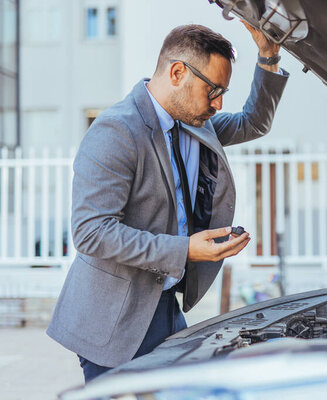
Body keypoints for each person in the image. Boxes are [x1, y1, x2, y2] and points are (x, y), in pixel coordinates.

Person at [46, 23, 288, 382]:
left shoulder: (196, 120)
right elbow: (92, 233)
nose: (218, 103)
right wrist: (185, 250)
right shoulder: (116, 131)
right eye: (213, 90)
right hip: (112, 322)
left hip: (166, 307)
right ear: (177, 72)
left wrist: (269, 56)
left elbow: (254, 122)